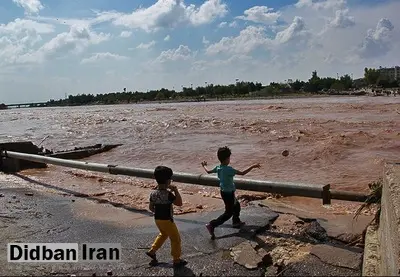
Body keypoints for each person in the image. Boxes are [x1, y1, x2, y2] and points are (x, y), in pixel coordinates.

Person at [201, 146, 261, 239]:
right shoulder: (229, 169)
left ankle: (236, 222)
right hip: (229, 193)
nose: (230, 160)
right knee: (228, 213)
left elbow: (208, 171)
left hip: (224, 192)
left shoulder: (218, 167)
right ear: (226, 159)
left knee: (236, 205)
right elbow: (242, 173)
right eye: (229, 158)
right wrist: (253, 166)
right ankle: (212, 224)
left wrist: (204, 165)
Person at [146, 166, 188, 268]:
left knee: (163, 234)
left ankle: (152, 250)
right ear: (168, 181)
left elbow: (151, 208)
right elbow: (179, 203)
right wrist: (176, 191)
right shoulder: (168, 194)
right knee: (175, 239)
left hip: (157, 219)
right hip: (167, 220)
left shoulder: (153, 193)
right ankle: (176, 260)